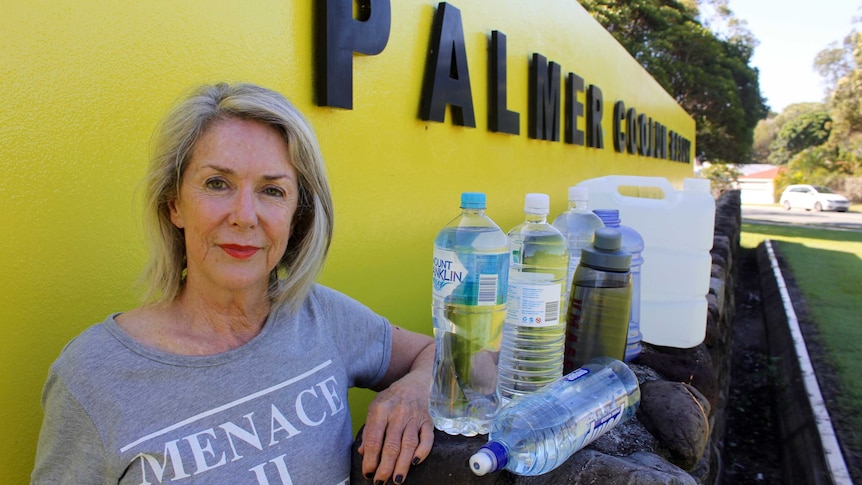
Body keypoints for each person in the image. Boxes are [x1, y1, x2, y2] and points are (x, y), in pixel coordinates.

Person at [31, 83, 435, 485]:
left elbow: (453, 356)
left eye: (272, 190)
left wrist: (416, 389)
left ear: (297, 217)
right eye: (217, 184)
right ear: (174, 203)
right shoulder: (91, 375)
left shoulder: (319, 316)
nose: (244, 216)